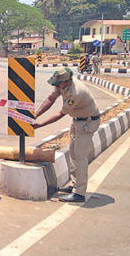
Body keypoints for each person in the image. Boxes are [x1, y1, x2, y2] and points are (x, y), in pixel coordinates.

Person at [34, 68, 100, 203]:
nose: (57, 86)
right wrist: (35, 115)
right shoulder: (62, 84)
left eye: (59, 84)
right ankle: (75, 184)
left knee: (80, 157)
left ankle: (79, 193)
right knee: (73, 153)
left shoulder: (75, 93)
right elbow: (50, 99)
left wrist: (40, 125)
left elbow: (60, 114)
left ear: (67, 81)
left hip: (87, 123)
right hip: (77, 121)